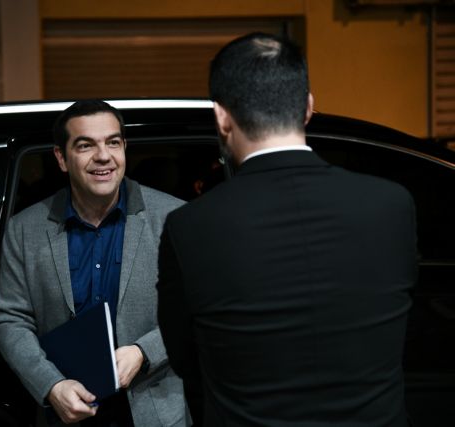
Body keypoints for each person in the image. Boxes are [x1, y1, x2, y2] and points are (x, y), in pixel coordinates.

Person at [157, 32, 417, 426]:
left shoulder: (190, 225)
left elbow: (183, 356)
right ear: (309, 107)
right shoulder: (391, 204)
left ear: (221, 117)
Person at [0, 100, 188, 427]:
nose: (103, 156)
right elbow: (10, 319)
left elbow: (194, 306)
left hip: (153, 411)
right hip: (67, 412)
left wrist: (143, 352)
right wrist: (51, 385)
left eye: (113, 142)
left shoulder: (174, 218)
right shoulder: (24, 229)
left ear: (124, 148)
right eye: (86, 145)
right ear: (61, 158)